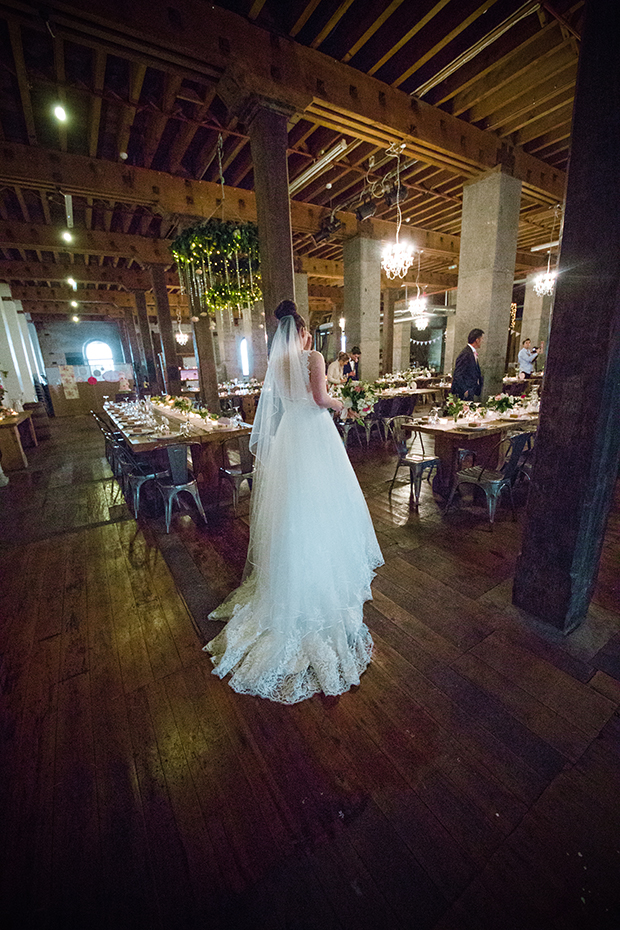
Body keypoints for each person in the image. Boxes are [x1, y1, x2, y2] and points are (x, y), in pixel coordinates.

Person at [204, 300, 384, 704]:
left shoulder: (278, 364)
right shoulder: (312, 356)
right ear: (303, 332)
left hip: (289, 438)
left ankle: (290, 572)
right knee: (325, 504)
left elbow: (288, 402)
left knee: (294, 509)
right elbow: (320, 399)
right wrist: (343, 404)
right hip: (314, 436)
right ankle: (322, 573)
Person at [451, 328, 484, 400]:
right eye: (481, 339)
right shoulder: (466, 354)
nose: (482, 341)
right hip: (465, 391)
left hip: (472, 389)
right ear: (477, 340)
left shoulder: (471, 353)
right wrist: (465, 390)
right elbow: (458, 374)